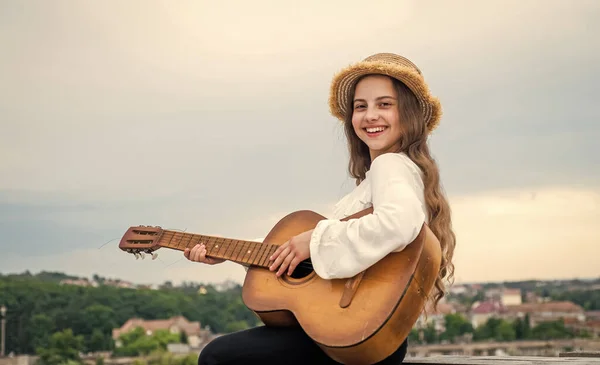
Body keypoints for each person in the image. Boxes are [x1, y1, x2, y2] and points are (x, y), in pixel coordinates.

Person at [184, 52, 456, 365]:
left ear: (409, 114)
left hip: (353, 334)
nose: (370, 115)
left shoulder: (390, 165)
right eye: (360, 106)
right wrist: (230, 251)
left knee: (217, 357)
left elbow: (397, 224)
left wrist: (312, 240)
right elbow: (322, 263)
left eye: (385, 104)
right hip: (364, 336)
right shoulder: (385, 176)